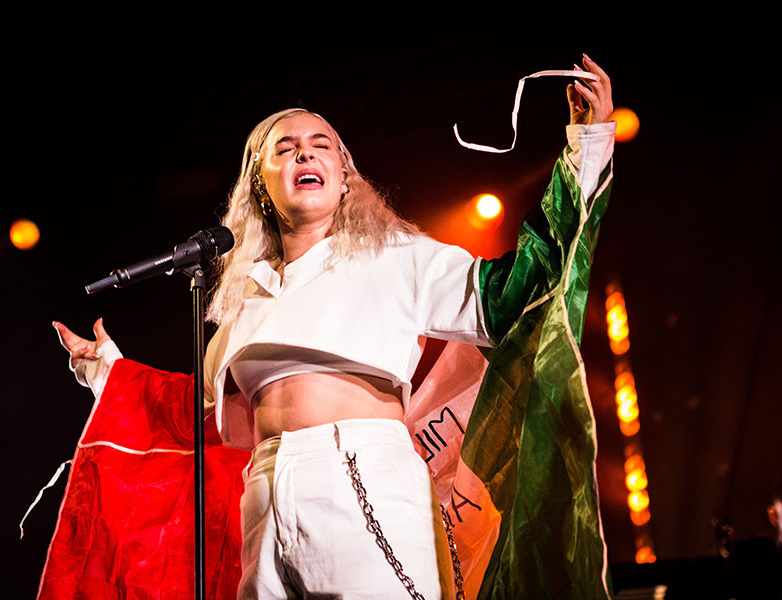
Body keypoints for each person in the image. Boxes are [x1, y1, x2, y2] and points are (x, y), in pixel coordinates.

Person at [49, 55, 615, 599]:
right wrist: (107, 373)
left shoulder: (394, 256)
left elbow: (514, 293)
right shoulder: (244, 299)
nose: (305, 154)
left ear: (345, 177)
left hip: (361, 471)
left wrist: (587, 148)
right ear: (259, 187)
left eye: (322, 146)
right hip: (264, 488)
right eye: (286, 149)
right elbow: (193, 414)